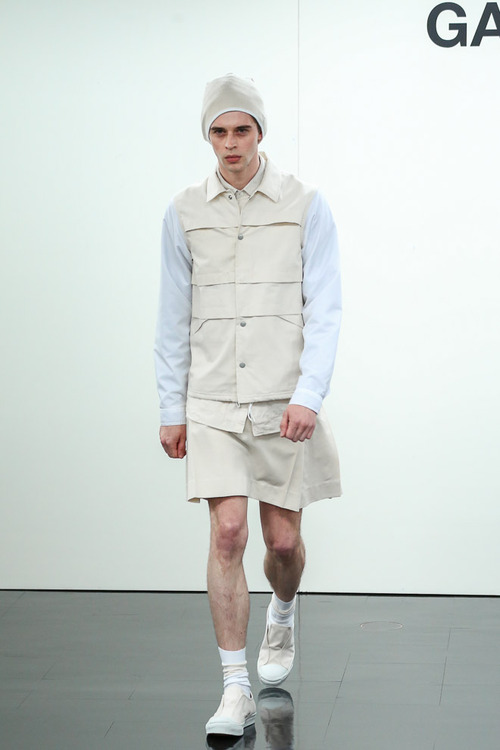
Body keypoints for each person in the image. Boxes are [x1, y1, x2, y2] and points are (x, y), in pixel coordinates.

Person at [154, 74, 342, 739]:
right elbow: (172, 314)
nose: (231, 143)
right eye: (219, 131)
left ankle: (282, 612)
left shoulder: (304, 203)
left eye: (242, 130)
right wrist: (170, 404)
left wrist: (309, 394)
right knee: (228, 533)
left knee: (283, 542)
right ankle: (234, 687)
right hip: (212, 399)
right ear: (207, 137)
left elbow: (326, 306)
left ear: (260, 132)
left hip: (282, 398)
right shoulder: (184, 210)